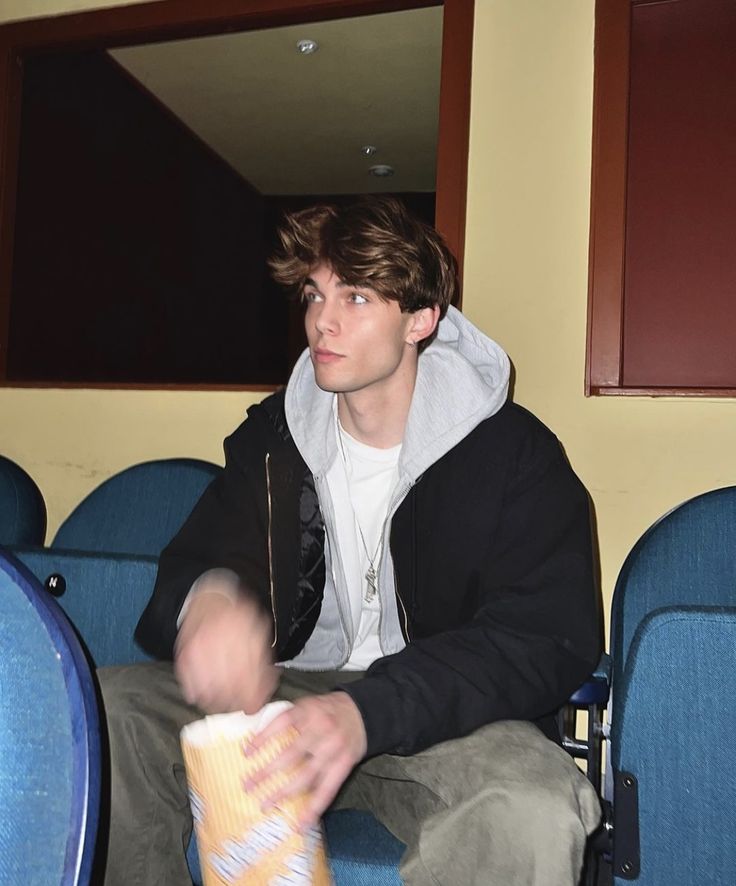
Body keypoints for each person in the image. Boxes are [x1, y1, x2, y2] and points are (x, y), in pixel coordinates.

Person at [98, 196, 602, 886]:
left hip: (443, 712)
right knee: (104, 712)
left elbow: (544, 635)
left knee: (534, 808)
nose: (322, 321)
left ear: (420, 320)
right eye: (315, 294)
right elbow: (200, 561)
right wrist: (207, 600)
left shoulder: (515, 456)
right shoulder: (273, 440)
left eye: (357, 296)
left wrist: (367, 711)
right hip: (281, 695)